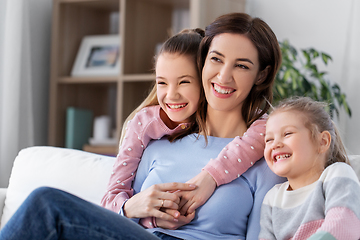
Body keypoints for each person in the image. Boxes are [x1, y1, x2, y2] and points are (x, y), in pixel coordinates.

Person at [0, 12, 284, 240]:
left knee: (47, 204)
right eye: (216, 59)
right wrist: (138, 211)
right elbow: (119, 215)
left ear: (261, 75)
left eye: (242, 66)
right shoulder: (157, 144)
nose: (224, 76)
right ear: (202, 62)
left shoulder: (264, 157)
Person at [101, 27, 267, 226]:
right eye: (162, 83)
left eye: (184, 82)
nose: (171, 95)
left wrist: (211, 176)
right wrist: (146, 217)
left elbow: (268, 128)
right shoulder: (146, 126)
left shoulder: (251, 137)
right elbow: (111, 202)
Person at [259, 97, 360, 240]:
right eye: (269, 139)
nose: (275, 144)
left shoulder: (338, 174)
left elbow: (343, 225)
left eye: (287, 134)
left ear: (322, 142)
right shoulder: (272, 198)